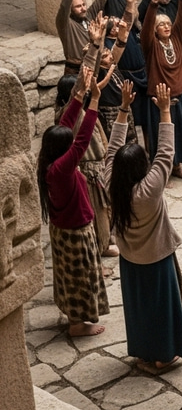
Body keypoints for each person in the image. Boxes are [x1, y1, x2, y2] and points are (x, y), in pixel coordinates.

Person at [105, 81, 182, 372]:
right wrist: (165, 111)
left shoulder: (111, 185)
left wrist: (123, 109)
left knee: (139, 308)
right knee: (161, 308)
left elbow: (111, 151)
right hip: (156, 259)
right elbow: (165, 153)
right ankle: (163, 356)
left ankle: (143, 352)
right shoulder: (148, 191)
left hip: (130, 260)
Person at [37, 67, 109, 337]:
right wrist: (94, 101)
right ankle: (78, 325)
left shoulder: (49, 161)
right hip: (75, 233)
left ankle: (74, 319)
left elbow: (66, 125)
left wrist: (80, 95)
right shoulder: (61, 169)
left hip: (64, 230)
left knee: (70, 277)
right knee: (79, 279)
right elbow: (81, 140)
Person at [141, 0, 182, 179]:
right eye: (161, 25)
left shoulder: (176, 39)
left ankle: (177, 167)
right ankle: (163, 172)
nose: (166, 27)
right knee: (162, 135)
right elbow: (146, 27)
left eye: (168, 24)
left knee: (180, 133)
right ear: (155, 30)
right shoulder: (151, 45)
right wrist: (153, 3)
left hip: (180, 94)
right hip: (160, 99)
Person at [56, 0, 110, 75]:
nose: (83, 9)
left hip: (93, 65)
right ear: (71, 10)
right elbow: (64, 6)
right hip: (76, 70)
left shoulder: (88, 16)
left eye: (83, 4)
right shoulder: (66, 25)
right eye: (78, 6)